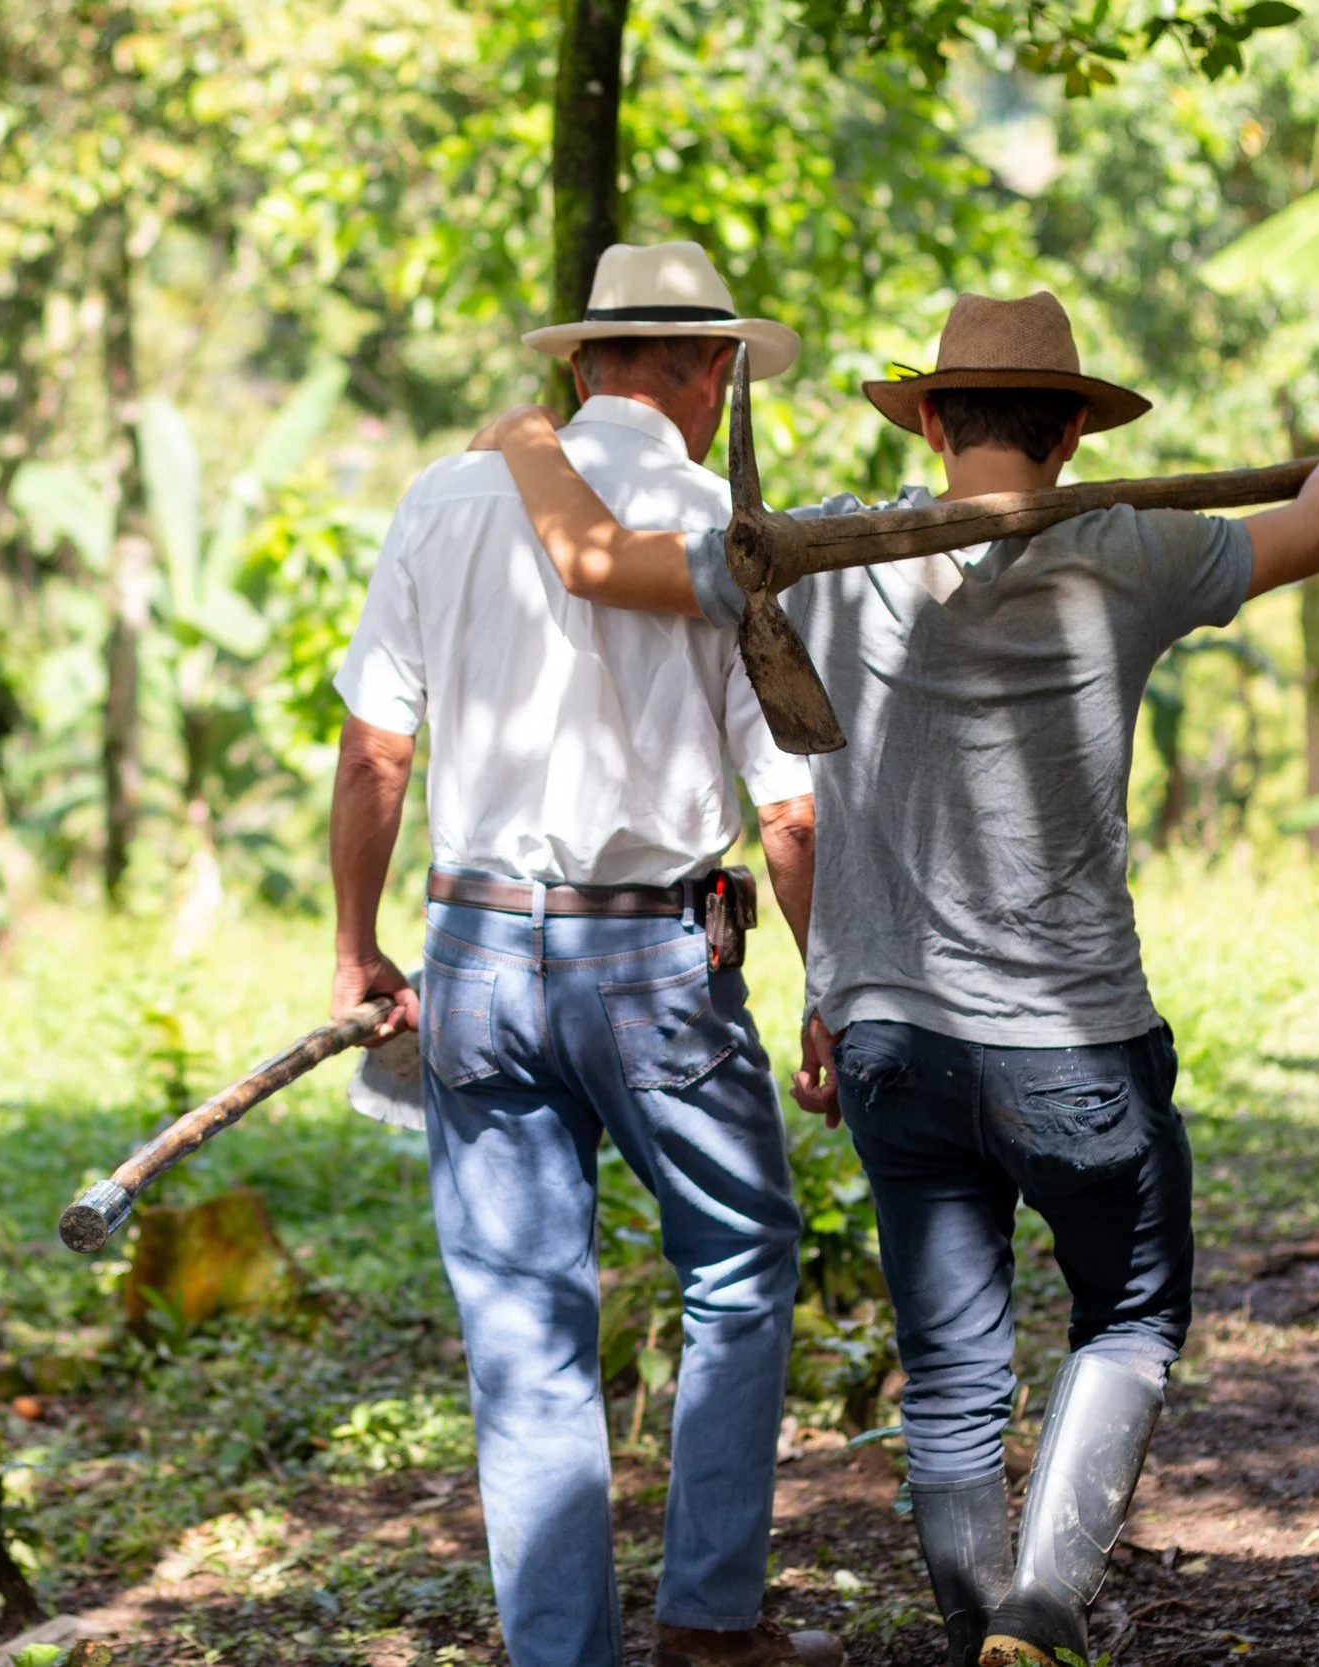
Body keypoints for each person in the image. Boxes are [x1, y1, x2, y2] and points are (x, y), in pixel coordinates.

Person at [469, 289, 1319, 1667]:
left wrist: (524, 432)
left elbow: (588, 556)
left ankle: (986, 1632)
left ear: (929, 415)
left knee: (957, 1379)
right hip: (1078, 1047)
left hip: (892, 1049)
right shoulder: (1131, 553)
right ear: (1074, 433)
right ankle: (1038, 1608)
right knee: (1133, 1313)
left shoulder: (810, 556)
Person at [327, 241, 845, 1667]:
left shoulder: (442, 500)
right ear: (710, 366)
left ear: (582, 362)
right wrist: (834, 991)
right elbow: (789, 812)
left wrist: (355, 948)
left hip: (477, 952)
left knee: (522, 1318)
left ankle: (563, 1654)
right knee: (739, 1263)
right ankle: (711, 1618)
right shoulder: (727, 528)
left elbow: (377, 753)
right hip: (658, 958)